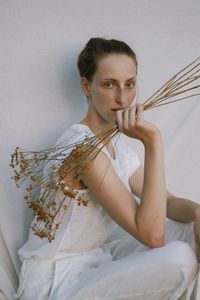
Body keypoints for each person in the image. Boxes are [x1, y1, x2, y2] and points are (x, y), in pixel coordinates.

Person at [14, 37, 199, 300]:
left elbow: (166, 202)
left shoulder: (116, 147)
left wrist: (197, 211)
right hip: (58, 280)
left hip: (96, 261)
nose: (123, 98)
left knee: (190, 227)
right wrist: (153, 143)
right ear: (86, 86)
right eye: (109, 84)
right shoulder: (81, 147)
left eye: (130, 84)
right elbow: (152, 235)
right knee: (179, 257)